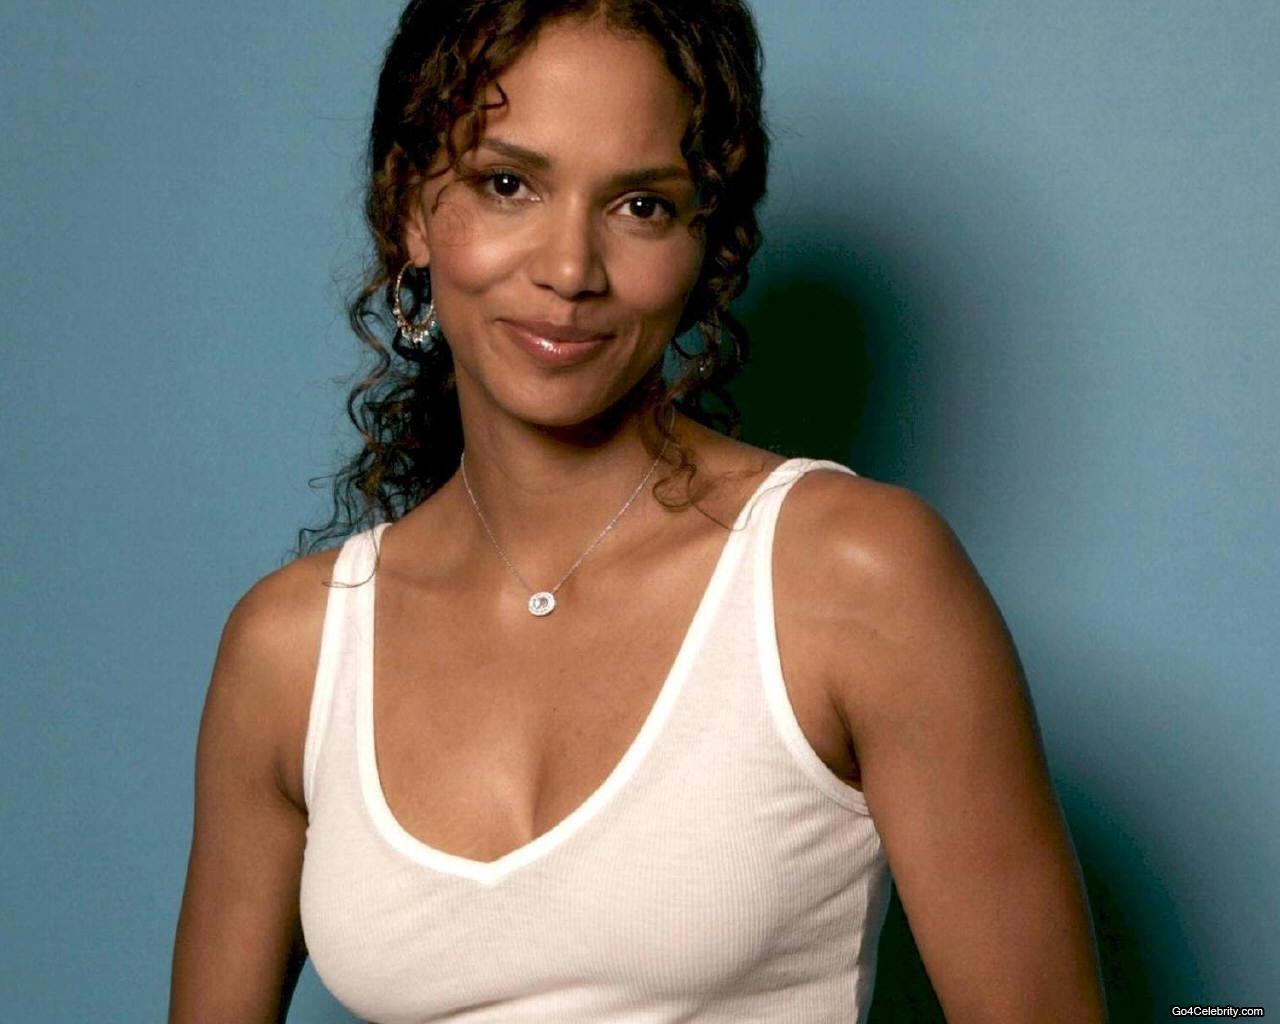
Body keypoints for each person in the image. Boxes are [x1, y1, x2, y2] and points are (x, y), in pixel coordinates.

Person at [169, 1, 1107, 1021]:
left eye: (641, 205)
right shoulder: (293, 651)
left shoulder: (852, 576)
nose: (570, 270)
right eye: (507, 184)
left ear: (705, 239)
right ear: (409, 209)